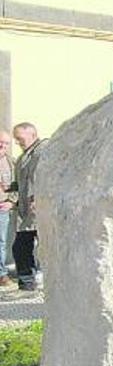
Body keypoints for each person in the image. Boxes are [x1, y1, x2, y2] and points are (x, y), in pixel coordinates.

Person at [7, 123, 46, 291]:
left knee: (40, 245)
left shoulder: (42, 152)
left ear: (32, 134)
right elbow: (19, 182)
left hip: (39, 209)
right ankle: (27, 283)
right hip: (26, 211)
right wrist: (9, 192)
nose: (18, 142)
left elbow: (43, 177)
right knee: (21, 247)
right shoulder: (24, 156)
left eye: (20, 138)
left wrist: (39, 197)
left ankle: (32, 280)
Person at [0, 132, 15, 287]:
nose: (2, 146)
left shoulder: (12, 163)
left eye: (5, 143)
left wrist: (12, 202)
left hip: (2, 208)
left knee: (1, 242)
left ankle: (1, 274)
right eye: (0, 142)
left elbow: (18, 185)